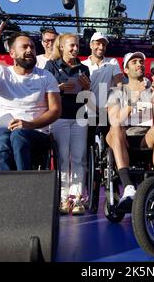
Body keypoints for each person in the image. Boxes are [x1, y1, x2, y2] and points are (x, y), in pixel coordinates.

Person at [0, 25, 61, 172]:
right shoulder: (0, 73)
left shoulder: (46, 76)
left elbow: (55, 110)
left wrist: (29, 124)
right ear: (12, 53)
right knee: (2, 141)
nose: (30, 50)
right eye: (25, 47)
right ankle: (5, 188)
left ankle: (22, 183)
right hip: (5, 131)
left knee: (18, 135)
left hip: (37, 134)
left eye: (32, 47)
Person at [106, 51, 154, 205]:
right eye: (134, 62)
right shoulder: (117, 92)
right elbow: (114, 119)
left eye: (141, 61)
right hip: (123, 138)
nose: (139, 64)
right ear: (126, 70)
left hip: (144, 138)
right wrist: (133, 101)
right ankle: (128, 186)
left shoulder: (152, 91)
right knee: (116, 127)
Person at [44, 33, 91, 216]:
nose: (75, 48)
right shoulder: (51, 65)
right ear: (61, 47)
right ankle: (63, 197)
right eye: (71, 45)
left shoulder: (84, 68)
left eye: (77, 45)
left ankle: (77, 197)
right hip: (59, 116)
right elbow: (44, 91)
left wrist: (87, 88)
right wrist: (59, 88)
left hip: (80, 116)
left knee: (79, 157)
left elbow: (88, 97)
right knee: (63, 158)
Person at [81, 31, 123, 141]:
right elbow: (82, 92)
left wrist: (112, 105)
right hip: (87, 111)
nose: (101, 47)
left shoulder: (112, 62)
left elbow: (119, 85)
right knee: (87, 145)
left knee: (106, 144)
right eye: (98, 43)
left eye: (104, 44)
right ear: (91, 45)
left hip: (106, 111)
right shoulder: (82, 65)